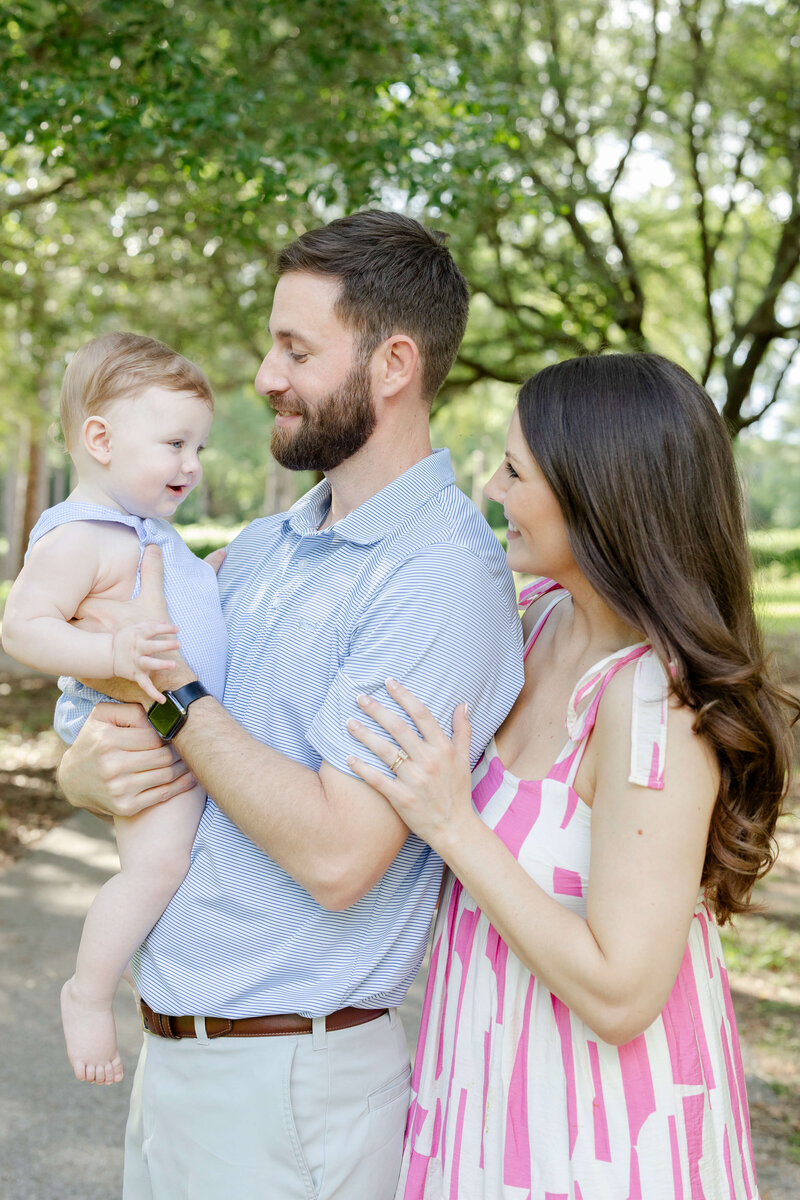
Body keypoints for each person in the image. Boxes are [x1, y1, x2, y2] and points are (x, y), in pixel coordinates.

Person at [56, 211, 525, 1199]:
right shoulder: (266, 548)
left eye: (296, 349)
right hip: (176, 1063)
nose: (266, 376)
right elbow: (125, 731)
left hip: (285, 1095)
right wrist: (84, 772)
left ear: (392, 364)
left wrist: (173, 692)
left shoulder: (440, 576)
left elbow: (337, 854)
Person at [346, 352, 797, 1199]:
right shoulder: (539, 622)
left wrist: (454, 827)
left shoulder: (652, 702)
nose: (491, 487)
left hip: (594, 1142)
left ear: (600, 493)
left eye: (515, 469)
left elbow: (623, 993)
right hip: (481, 1098)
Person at [2, 332, 227, 1087]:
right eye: (174, 442)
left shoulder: (147, 533)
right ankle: (87, 992)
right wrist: (110, 659)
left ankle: (149, 973)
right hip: (133, 728)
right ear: (99, 439)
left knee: (184, 863)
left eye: (197, 445)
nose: (191, 465)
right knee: (158, 866)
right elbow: (22, 626)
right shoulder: (80, 536)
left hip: (176, 732)